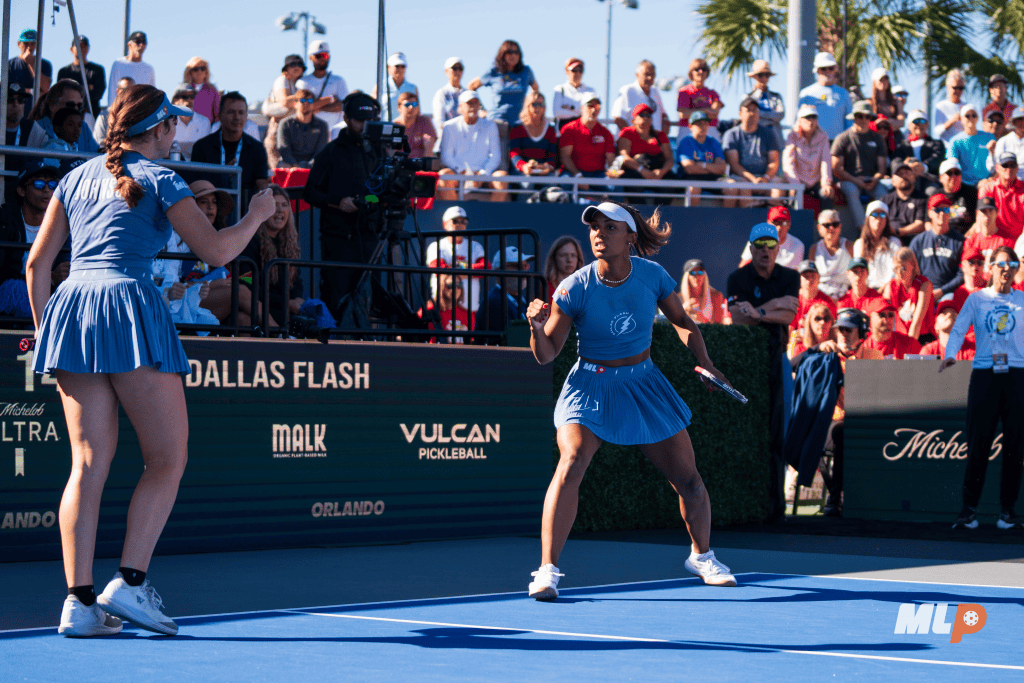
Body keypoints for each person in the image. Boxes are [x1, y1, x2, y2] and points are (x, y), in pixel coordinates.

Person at [25, 84, 275, 638]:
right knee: (167, 459)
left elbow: (37, 266)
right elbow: (216, 252)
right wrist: (257, 214)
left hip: (73, 314)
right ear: (158, 130)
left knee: (86, 466)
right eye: (172, 127)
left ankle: (78, 603)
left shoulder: (74, 178)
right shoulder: (162, 179)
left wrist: (49, 336)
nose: (176, 135)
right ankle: (130, 584)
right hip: (128, 309)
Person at [526, 201, 738, 599]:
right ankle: (547, 570)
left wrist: (706, 362)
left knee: (689, 480)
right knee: (571, 460)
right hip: (589, 386)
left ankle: (702, 556)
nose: (598, 234)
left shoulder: (652, 276)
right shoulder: (574, 287)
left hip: (643, 384)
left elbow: (681, 321)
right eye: (594, 228)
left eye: (609, 227)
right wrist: (537, 328)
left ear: (629, 237)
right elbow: (547, 352)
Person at [941, 245, 1024, 531]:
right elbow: (959, 329)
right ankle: (968, 511)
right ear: (991, 268)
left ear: (1015, 270)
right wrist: (950, 354)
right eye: (1001, 264)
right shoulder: (977, 300)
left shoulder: (1023, 301)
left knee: (1015, 446)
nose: (1006, 269)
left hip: (1016, 376)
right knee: (979, 443)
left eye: (1011, 264)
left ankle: (1008, 512)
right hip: (985, 375)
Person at [728, 222, 800, 521]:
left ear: (778, 248)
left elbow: (791, 312)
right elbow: (737, 318)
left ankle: (776, 506)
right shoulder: (737, 277)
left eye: (771, 246)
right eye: (760, 246)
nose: (766, 252)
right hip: (745, 361)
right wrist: (772, 309)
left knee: (778, 430)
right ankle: (744, 502)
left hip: (777, 357)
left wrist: (757, 311)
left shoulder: (790, 276)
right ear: (752, 248)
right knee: (745, 430)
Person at [303, 92, 381, 325]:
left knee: (370, 305)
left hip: (370, 239)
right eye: (359, 119)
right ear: (346, 118)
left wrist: (370, 201)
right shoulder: (331, 152)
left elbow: (380, 197)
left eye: (369, 120)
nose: (364, 125)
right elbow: (310, 193)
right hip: (338, 241)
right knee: (336, 302)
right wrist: (339, 202)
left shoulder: (379, 152)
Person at [810, 308, 883, 516]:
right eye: (839, 329)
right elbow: (791, 365)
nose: (842, 334)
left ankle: (840, 497)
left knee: (847, 432)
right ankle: (836, 497)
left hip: (864, 423)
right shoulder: (826, 355)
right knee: (839, 432)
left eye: (848, 330)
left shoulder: (874, 356)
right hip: (831, 424)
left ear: (861, 334)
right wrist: (816, 349)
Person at [0, 160, 69, 317]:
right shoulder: (4, 221)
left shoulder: (61, 224)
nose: (47, 190)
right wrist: (49, 278)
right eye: (39, 184)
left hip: (49, 296)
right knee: (14, 289)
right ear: (21, 190)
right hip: (10, 296)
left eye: (52, 185)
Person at [240, 184, 304, 327]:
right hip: (260, 307)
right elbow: (248, 284)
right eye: (275, 205)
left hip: (286, 307)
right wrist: (287, 303)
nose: (280, 210)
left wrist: (298, 299)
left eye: (284, 205)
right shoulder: (250, 241)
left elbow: (297, 281)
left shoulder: (290, 243)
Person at [191, 92, 271, 204]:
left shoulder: (257, 148)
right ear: (220, 116)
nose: (237, 117)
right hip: (211, 209)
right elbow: (196, 186)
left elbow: (261, 184)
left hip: (245, 210)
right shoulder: (202, 147)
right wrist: (222, 176)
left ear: (246, 116)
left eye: (241, 112)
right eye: (231, 112)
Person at [437, 90, 508, 202]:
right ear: (460, 107)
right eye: (469, 103)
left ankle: (491, 217)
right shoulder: (449, 126)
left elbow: (496, 156)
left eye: (476, 103)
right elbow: (446, 156)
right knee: (444, 175)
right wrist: (462, 172)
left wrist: (482, 174)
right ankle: (455, 214)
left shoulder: (490, 125)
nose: (473, 107)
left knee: (501, 177)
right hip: (458, 174)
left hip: (485, 174)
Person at [831, 100, 888, 226]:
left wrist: (875, 180)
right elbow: (837, 168)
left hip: (871, 180)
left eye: (867, 116)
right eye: (859, 116)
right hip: (849, 180)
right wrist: (856, 181)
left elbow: (882, 167)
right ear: (854, 117)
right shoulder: (842, 138)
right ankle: (863, 229)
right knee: (852, 191)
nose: (863, 119)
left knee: (883, 193)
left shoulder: (877, 138)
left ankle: (883, 230)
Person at [424, 205, 486, 316]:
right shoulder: (437, 246)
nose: (460, 225)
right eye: (455, 221)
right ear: (445, 224)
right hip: (444, 306)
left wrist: (454, 269)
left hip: (469, 307)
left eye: (463, 221)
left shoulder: (475, 246)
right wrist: (471, 270)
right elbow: (439, 269)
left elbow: (486, 268)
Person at [722, 97, 782, 208]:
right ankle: (748, 222)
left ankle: (775, 222)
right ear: (740, 113)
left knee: (778, 188)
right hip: (741, 177)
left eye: (755, 110)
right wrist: (753, 179)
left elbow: (774, 161)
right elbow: (734, 164)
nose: (752, 113)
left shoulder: (768, 133)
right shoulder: (731, 134)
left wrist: (765, 178)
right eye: (748, 110)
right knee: (744, 187)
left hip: (765, 178)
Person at [469, 40, 538, 132]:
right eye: (509, 52)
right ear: (502, 54)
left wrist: (529, 107)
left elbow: (535, 89)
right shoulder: (494, 71)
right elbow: (471, 86)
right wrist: (481, 110)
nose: (513, 55)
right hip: (497, 122)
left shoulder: (526, 71)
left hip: (520, 122)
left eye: (516, 52)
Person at [910, 193, 965, 300]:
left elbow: (962, 274)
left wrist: (942, 291)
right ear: (929, 213)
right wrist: (923, 290)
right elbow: (910, 271)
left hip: (948, 292)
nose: (942, 213)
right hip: (922, 291)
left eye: (946, 210)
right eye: (937, 210)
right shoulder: (918, 241)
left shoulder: (960, 241)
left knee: (947, 310)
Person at [615, 103, 675, 199]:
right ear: (633, 119)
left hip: (657, 171)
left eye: (648, 115)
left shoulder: (660, 135)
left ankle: (662, 212)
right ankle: (638, 212)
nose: (645, 118)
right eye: (642, 115)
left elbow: (670, 159)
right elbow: (624, 157)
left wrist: (662, 172)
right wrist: (641, 170)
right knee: (633, 182)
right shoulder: (627, 133)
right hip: (636, 170)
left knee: (669, 181)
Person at [783, 104, 835, 209]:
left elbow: (826, 160)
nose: (811, 121)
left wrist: (826, 183)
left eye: (814, 117)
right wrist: (795, 183)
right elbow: (788, 163)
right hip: (798, 181)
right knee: (792, 197)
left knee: (827, 194)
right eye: (807, 117)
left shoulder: (823, 136)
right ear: (800, 120)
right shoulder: (792, 136)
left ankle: (828, 224)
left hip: (816, 182)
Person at [25, 79, 98, 153]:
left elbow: (95, 155)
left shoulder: (83, 127)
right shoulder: (37, 129)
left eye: (79, 106)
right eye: (70, 105)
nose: (76, 110)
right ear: (52, 105)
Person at [559, 92, 616, 183]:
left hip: (598, 174)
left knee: (616, 187)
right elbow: (565, 157)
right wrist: (578, 175)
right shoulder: (570, 129)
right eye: (590, 106)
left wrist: (614, 172)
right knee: (566, 182)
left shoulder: (605, 133)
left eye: (597, 106)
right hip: (573, 173)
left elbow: (611, 159)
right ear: (582, 108)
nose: (594, 110)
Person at [476, 246, 534, 335]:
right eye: (517, 266)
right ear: (499, 271)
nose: (523, 270)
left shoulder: (522, 300)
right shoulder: (495, 302)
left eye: (525, 265)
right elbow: (506, 342)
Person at [674, 111, 728, 207]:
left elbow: (721, 168)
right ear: (690, 126)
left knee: (731, 187)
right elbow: (689, 169)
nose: (703, 127)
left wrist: (702, 165)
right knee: (694, 188)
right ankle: (691, 220)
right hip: (691, 178)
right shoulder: (686, 142)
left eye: (705, 124)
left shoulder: (713, 142)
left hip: (712, 178)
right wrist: (712, 168)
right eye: (699, 124)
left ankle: (728, 220)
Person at [508, 91, 559, 191]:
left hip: (543, 171)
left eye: (541, 104)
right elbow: (514, 153)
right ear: (527, 106)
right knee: (528, 184)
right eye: (534, 104)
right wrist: (524, 166)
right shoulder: (517, 127)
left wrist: (548, 167)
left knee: (552, 183)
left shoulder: (550, 129)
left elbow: (552, 154)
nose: (538, 107)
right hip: (521, 171)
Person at [262, 55, 306, 169]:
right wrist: (304, 99)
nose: (296, 67)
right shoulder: (282, 80)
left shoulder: (298, 84)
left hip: (291, 130)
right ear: (286, 68)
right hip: (276, 128)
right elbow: (284, 101)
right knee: (276, 167)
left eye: (299, 64)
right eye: (293, 64)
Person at [798, 52, 853, 142]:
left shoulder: (844, 94)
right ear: (817, 70)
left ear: (835, 69)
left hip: (837, 144)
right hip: (812, 144)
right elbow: (799, 121)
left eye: (830, 68)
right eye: (823, 69)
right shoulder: (806, 94)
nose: (827, 72)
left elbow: (849, 122)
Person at [884, 247, 934, 341]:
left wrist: (908, 348)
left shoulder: (924, 285)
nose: (899, 273)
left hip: (923, 336)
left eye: (903, 268)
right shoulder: (892, 286)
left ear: (913, 265)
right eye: (896, 269)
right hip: (900, 336)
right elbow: (882, 312)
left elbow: (917, 323)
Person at [276, 84, 330, 168]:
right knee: (283, 166)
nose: (306, 103)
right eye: (302, 100)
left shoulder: (322, 125)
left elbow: (321, 150)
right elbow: (284, 149)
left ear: (313, 104)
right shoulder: (285, 124)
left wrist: (310, 165)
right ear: (295, 104)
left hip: (313, 164)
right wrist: (295, 166)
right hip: (291, 164)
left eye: (310, 101)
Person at [302, 40, 349, 132]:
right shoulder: (303, 82)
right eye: (318, 56)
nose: (323, 59)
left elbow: (343, 106)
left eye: (325, 55)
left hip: (334, 132)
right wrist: (330, 99)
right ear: (310, 58)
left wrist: (318, 107)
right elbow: (304, 105)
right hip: (309, 132)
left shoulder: (339, 80)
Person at [853, 200, 902, 289]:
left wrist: (884, 289)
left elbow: (897, 271)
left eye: (883, 215)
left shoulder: (894, 242)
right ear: (868, 219)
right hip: (867, 291)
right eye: (874, 215)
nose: (879, 219)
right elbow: (858, 272)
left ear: (886, 220)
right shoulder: (859, 244)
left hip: (889, 290)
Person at [612, 60, 669, 133]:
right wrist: (634, 138)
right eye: (646, 74)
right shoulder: (627, 90)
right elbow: (618, 118)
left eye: (652, 74)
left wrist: (662, 135)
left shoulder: (655, 91)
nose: (650, 78)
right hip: (632, 142)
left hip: (654, 142)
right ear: (637, 74)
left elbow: (663, 114)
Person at [808, 209, 854, 299]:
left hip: (846, 295)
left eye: (835, 224)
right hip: (821, 295)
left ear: (840, 226)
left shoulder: (849, 246)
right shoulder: (814, 248)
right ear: (819, 228)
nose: (831, 228)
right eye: (827, 225)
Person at [739, 205, 804, 268]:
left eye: (783, 223)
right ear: (768, 223)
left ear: (789, 225)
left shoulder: (797, 245)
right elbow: (742, 269)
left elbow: (793, 275)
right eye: (775, 223)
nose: (779, 228)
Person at [947, 104, 995, 187]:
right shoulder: (955, 141)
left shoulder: (989, 137)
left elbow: (998, 163)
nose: (971, 118)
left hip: (987, 183)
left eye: (974, 115)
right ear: (961, 119)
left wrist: (989, 180)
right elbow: (952, 165)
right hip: (963, 185)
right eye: (967, 116)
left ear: (977, 118)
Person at [57, 36, 105, 118]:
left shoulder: (97, 70)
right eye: (78, 46)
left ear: (88, 48)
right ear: (71, 49)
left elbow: (98, 94)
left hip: (91, 114)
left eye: (84, 46)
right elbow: (61, 94)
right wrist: (87, 89)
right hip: (68, 114)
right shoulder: (64, 72)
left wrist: (74, 91)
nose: (81, 49)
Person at [980, 152, 1024, 242]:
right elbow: (982, 217)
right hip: (994, 238)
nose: (1009, 169)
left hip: (1018, 240)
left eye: (1012, 165)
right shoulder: (987, 188)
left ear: (1017, 168)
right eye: (1005, 165)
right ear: (997, 168)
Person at [676, 58, 723, 140]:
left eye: (704, 69)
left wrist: (693, 111)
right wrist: (706, 110)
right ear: (691, 73)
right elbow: (683, 114)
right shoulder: (684, 92)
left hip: (709, 131)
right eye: (697, 69)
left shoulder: (713, 93)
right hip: (688, 130)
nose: (700, 72)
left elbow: (714, 113)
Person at [892, 109, 945, 181]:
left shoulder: (937, 143)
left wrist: (923, 167)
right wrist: (904, 166)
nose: (920, 125)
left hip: (929, 179)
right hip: (906, 179)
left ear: (927, 124)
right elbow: (895, 161)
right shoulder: (901, 145)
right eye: (915, 121)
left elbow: (937, 159)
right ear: (909, 125)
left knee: (932, 191)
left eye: (923, 121)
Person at [882, 158, 928, 240]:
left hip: (913, 242)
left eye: (907, 172)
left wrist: (897, 231)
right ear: (892, 180)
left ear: (914, 177)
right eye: (899, 174)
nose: (904, 176)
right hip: (888, 241)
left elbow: (920, 225)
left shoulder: (923, 199)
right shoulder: (885, 201)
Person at [419, 272, 472, 343]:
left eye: (459, 285)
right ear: (442, 287)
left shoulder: (466, 313)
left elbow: (472, 341)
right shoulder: (430, 309)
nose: (456, 288)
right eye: (450, 285)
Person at [8, 29, 53, 112]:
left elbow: (46, 88)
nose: (29, 47)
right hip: (15, 112)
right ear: (19, 44)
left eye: (32, 44)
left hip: (37, 112)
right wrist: (34, 91)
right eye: (25, 43)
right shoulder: (10, 64)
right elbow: (8, 90)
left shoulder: (45, 64)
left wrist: (31, 64)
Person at [747, 59, 785, 148]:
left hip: (775, 136)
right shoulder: (748, 98)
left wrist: (760, 114)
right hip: (756, 136)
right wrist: (771, 117)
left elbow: (780, 114)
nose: (764, 78)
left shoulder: (776, 96)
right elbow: (750, 116)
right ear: (754, 77)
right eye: (760, 75)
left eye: (767, 75)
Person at [792, 260, 837, 334]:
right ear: (799, 279)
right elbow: (790, 328)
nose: (810, 280)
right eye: (806, 277)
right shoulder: (794, 301)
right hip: (798, 342)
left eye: (813, 276)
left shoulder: (827, 303)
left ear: (819, 278)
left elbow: (831, 331)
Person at [107, 32, 155, 101]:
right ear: (129, 44)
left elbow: (152, 95)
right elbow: (112, 90)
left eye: (144, 42)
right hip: (123, 108)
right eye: (138, 41)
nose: (141, 45)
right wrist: (112, 110)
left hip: (142, 110)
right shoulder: (118, 64)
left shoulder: (149, 69)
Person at [963, 196, 1013, 263]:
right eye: (984, 211)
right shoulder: (971, 241)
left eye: (990, 211)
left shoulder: (1006, 241)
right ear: (977, 213)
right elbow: (966, 266)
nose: (987, 215)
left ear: (996, 213)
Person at [552, 58, 595, 131]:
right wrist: (580, 113)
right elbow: (557, 112)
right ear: (566, 71)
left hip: (583, 132)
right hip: (564, 132)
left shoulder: (590, 91)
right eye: (574, 70)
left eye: (580, 71)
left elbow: (592, 112)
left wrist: (570, 108)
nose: (577, 73)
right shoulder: (560, 89)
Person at [170, 85, 212, 162]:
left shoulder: (204, 122)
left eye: (192, 96)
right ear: (175, 100)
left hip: (198, 170)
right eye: (185, 97)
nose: (189, 100)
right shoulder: (167, 123)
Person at [680, 258, 728, 324]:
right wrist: (683, 309)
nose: (697, 276)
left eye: (700, 272)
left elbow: (718, 325)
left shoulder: (716, 296)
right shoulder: (678, 298)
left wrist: (700, 318)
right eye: (692, 273)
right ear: (686, 276)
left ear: (704, 275)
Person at [375, 51, 419, 123]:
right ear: (388, 67)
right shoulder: (379, 87)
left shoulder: (413, 88)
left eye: (403, 66)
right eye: (397, 66)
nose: (400, 69)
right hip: (384, 128)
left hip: (407, 130)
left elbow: (417, 112)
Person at [92, 77, 134, 150]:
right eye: (125, 89)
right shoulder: (105, 115)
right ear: (117, 91)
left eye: (132, 90)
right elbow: (98, 142)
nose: (129, 93)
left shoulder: (140, 115)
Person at [937, 158, 977, 235]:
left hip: (967, 236)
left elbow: (979, 219)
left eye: (957, 172)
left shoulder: (972, 193)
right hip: (943, 237)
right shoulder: (936, 196)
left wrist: (969, 235)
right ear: (941, 177)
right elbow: (928, 222)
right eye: (949, 173)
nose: (953, 176)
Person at [394, 91, 436, 159]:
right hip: (399, 166)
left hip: (420, 166)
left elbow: (429, 147)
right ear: (399, 107)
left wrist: (424, 166)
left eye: (414, 104)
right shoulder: (394, 126)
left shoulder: (424, 122)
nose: (411, 107)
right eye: (407, 104)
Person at [543, 235, 586, 302]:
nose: (569, 260)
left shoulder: (585, 289)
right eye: (563, 255)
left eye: (573, 255)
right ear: (554, 258)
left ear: (578, 259)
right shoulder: (545, 288)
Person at [432, 57, 464, 138]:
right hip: (449, 138)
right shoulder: (441, 93)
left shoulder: (468, 93)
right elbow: (439, 121)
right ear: (446, 71)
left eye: (460, 68)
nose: (457, 71)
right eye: (454, 68)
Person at [988, 107, 1024, 180]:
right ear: (1013, 122)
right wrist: (992, 153)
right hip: (1007, 182)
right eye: (1020, 119)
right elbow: (993, 168)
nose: (1023, 122)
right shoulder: (1003, 141)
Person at [181, 57, 220, 124]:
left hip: (207, 130)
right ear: (190, 72)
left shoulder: (213, 91)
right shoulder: (183, 90)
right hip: (187, 129)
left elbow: (217, 114)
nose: (199, 72)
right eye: (195, 69)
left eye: (202, 69)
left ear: (206, 72)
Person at [933, 70, 967, 143]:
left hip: (964, 148)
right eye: (955, 87)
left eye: (960, 88)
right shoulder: (941, 106)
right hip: (947, 148)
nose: (957, 91)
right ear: (948, 87)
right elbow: (938, 131)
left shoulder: (967, 106)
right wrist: (953, 120)